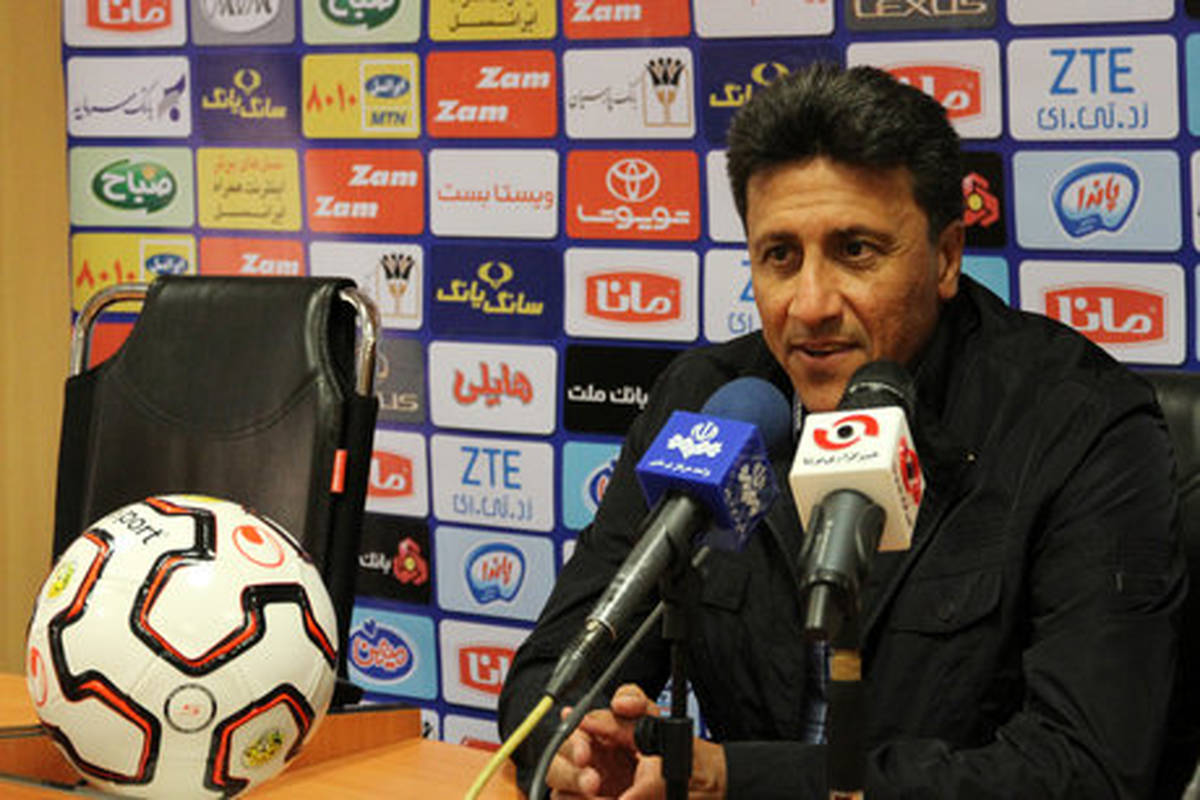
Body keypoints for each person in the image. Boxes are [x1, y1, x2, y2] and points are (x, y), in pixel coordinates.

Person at [498, 62, 1186, 799]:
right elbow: (553, 671)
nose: (811, 305)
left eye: (855, 250)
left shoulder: (1080, 424)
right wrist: (574, 743)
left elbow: (1086, 770)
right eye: (780, 256)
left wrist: (737, 781)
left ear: (947, 256)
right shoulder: (709, 403)